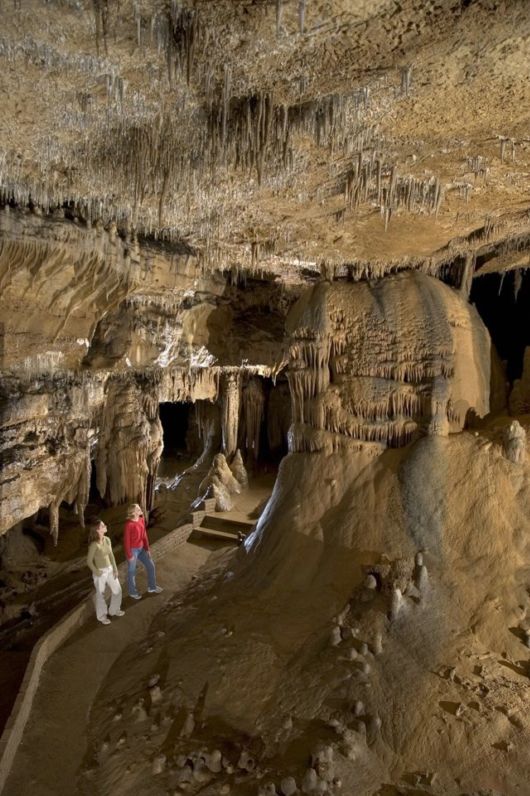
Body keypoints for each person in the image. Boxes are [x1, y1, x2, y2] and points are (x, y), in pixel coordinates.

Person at [86, 517, 124, 625]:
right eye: (103, 526)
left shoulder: (107, 540)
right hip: (100, 572)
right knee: (100, 594)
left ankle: (114, 610)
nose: (105, 526)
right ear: (97, 530)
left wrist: (115, 569)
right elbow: (89, 561)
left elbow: (111, 555)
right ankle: (102, 616)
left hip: (110, 569)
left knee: (117, 590)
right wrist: (97, 572)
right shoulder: (94, 545)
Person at [124, 503, 163, 599]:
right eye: (138, 509)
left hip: (141, 548)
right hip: (133, 550)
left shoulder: (141, 520)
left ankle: (152, 587)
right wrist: (130, 555)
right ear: (133, 512)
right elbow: (126, 541)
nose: (140, 509)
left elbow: (144, 535)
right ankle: (132, 592)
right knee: (131, 571)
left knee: (151, 566)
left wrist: (147, 549)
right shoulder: (129, 525)